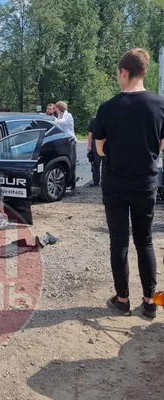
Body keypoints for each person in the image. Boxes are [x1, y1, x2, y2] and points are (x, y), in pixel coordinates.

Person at [94, 48, 164, 319]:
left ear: (124, 72)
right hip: (145, 183)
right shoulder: (159, 105)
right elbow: (160, 146)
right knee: (145, 241)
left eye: (118, 74)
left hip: (115, 185)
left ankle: (122, 299)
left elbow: (100, 150)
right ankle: (149, 302)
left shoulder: (108, 107)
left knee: (119, 243)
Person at [87, 116, 103, 187]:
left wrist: (89, 146)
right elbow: (90, 134)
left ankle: (97, 181)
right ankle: (101, 181)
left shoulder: (94, 119)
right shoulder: (109, 118)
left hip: (97, 143)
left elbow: (90, 134)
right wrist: (89, 145)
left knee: (96, 163)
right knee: (100, 164)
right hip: (103, 143)